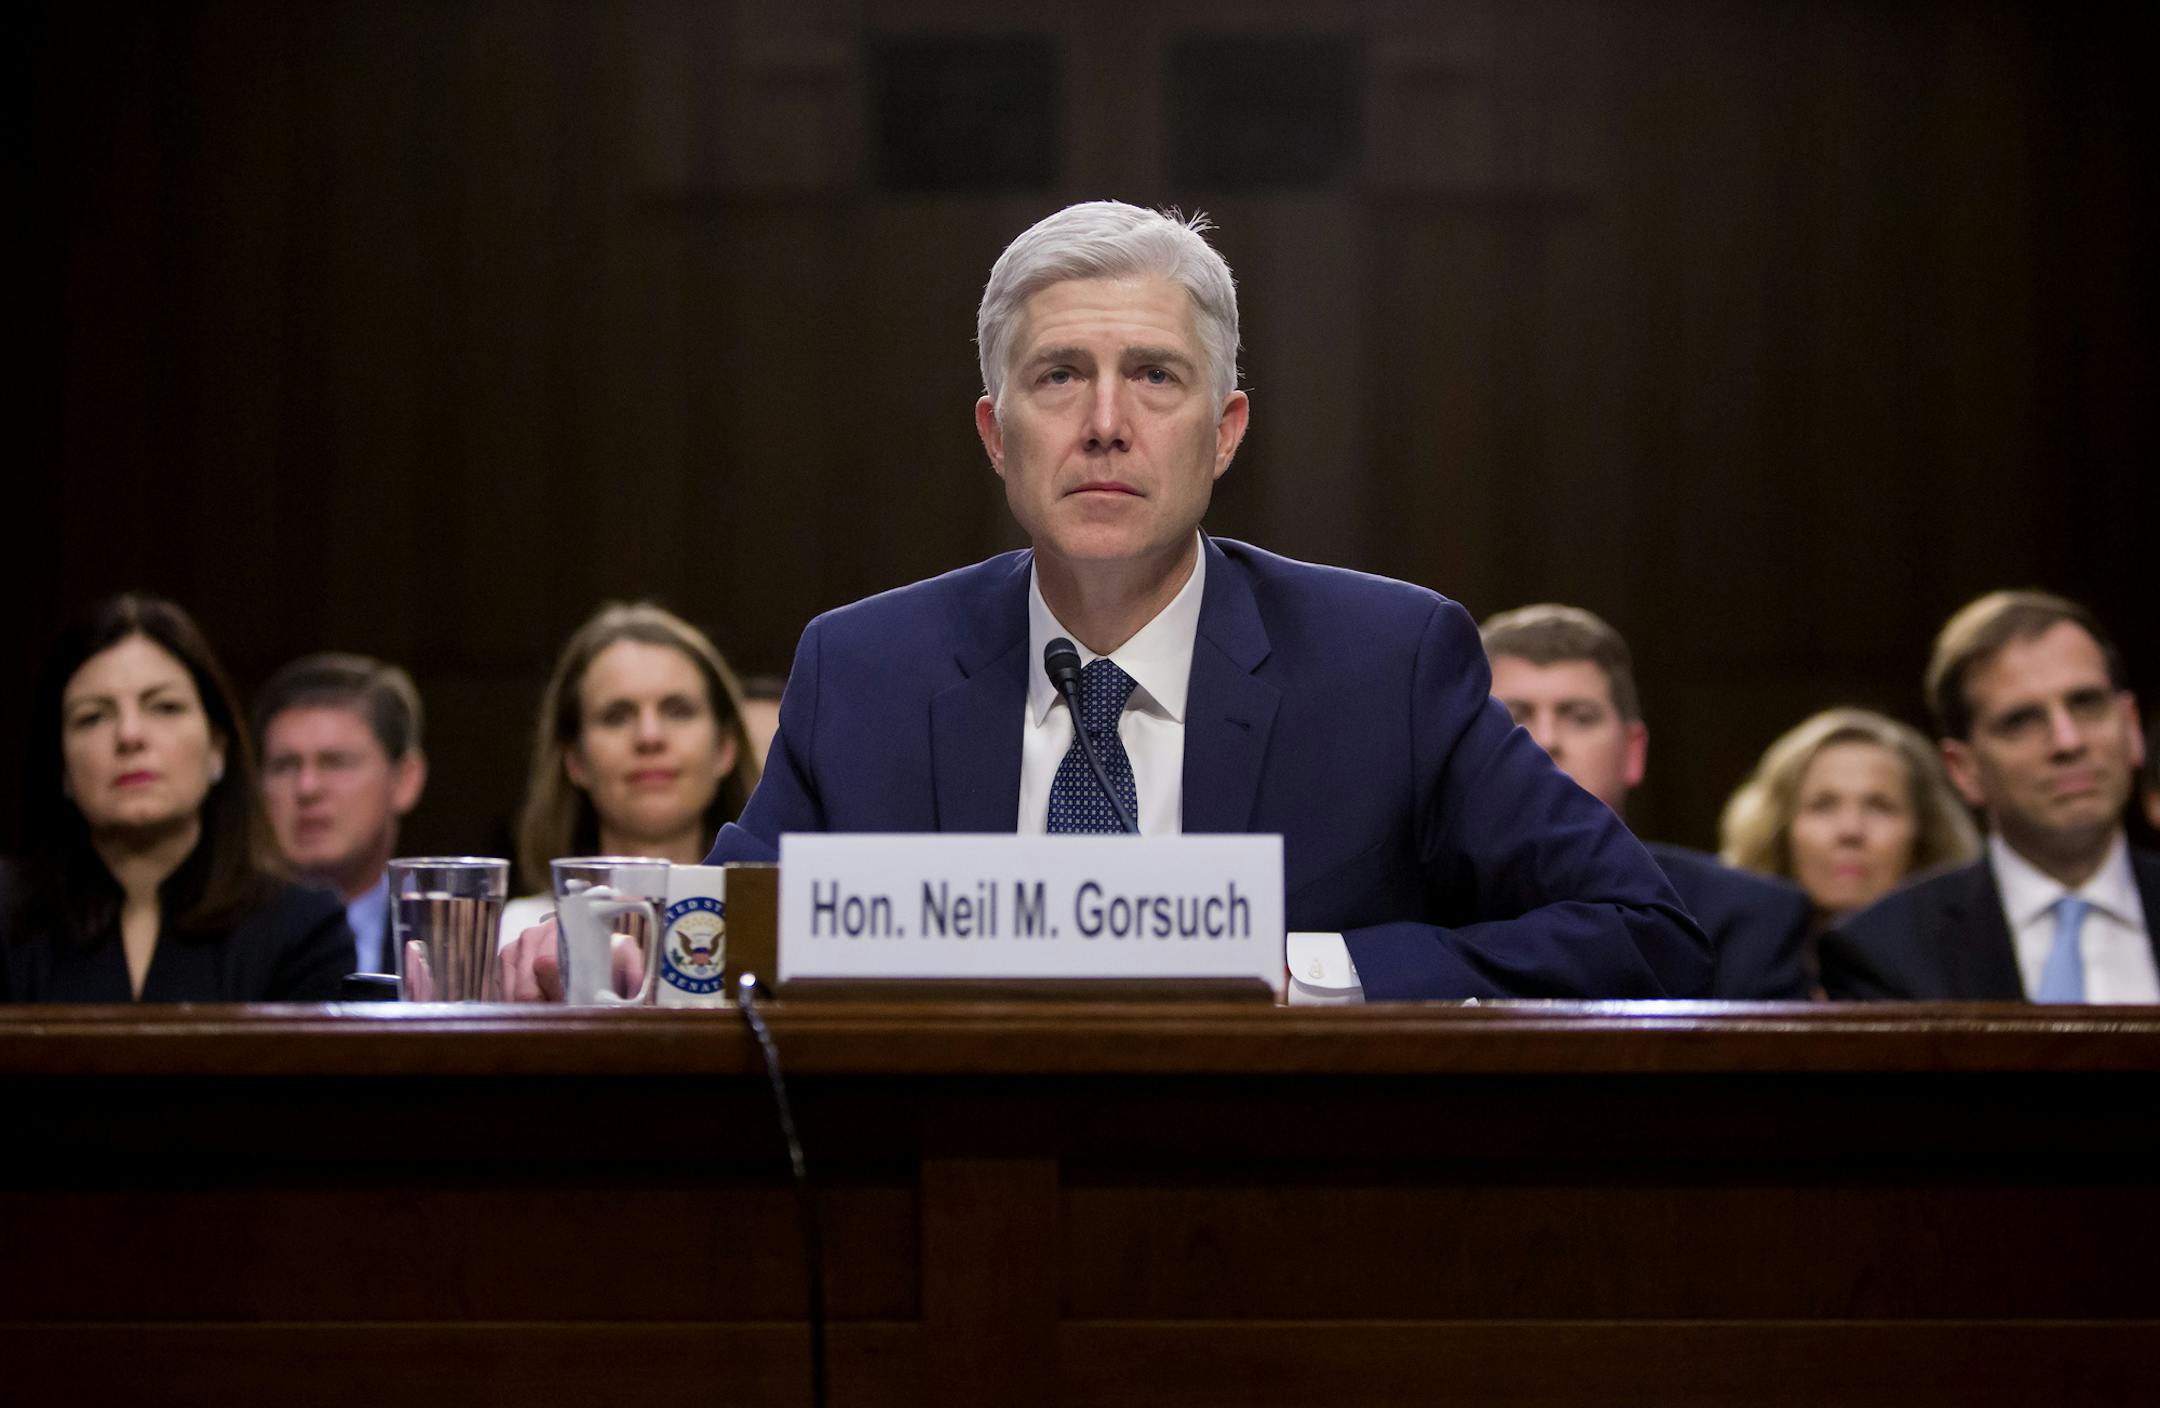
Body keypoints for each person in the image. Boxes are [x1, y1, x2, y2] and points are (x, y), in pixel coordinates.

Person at [506, 201, 1705, 1003]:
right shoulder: (866, 667)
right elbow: (733, 939)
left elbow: (1643, 932)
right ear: (996, 433)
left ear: (1225, 431)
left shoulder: (1384, 660)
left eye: (1156, 377)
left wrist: (1307, 967)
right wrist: (605, 948)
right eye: (1059, 376)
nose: (1104, 424)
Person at [1, 594, 353, 1002]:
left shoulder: (303, 927)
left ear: (217, 748)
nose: (129, 735)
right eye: (93, 716)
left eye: (164, 707)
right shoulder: (7, 921)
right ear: (61, 765)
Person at [1820, 591, 2156, 1001]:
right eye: (2020, 721)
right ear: (1965, 770)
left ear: (2132, 727)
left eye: (2086, 704)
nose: (2068, 742)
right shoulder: (1884, 950)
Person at [1481, 603, 1813, 999]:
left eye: (1579, 716)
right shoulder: (1405, 913)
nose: (1547, 739)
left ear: (1633, 752)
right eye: (1515, 715)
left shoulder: (1745, 920)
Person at [502, 603, 761, 938]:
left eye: (678, 711)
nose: (649, 737)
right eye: (616, 716)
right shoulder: (519, 933)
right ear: (575, 760)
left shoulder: (772, 930)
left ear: (725, 747)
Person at [1719, 707, 1978, 989]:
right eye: (1823, 805)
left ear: (1925, 832)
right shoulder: (1722, 972)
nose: (1851, 830)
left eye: (1880, 806)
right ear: (1777, 830)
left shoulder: (1969, 971)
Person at [256, 653, 428, 974]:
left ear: (404, 780)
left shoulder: (447, 941)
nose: (307, 788)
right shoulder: (225, 944)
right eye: (284, 766)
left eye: (336, 762)